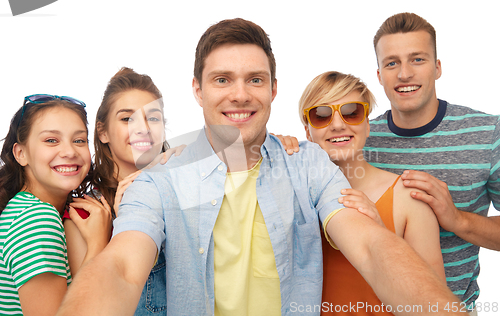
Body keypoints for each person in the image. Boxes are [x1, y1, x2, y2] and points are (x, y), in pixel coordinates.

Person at [57, 18, 465, 316]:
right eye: (222, 80)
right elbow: (124, 267)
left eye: (255, 80)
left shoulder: (307, 164)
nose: (240, 94)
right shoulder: (160, 180)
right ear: (197, 90)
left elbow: (373, 247)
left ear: (273, 89)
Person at [364, 12, 500, 313]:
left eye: (417, 59)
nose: (404, 74)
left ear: (437, 68)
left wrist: (457, 219)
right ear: (379, 76)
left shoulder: (488, 132)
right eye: (391, 63)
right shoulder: (360, 139)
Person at [298, 71, 445, 315]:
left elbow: (431, 304)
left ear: (367, 125)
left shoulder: (409, 199)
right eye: (321, 115)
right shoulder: (294, 195)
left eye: (351, 112)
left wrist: (382, 236)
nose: (337, 124)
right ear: (307, 132)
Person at [64, 67, 183, 316]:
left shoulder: (181, 187)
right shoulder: (85, 213)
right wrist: (124, 224)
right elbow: (89, 304)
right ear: (103, 132)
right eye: (127, 118)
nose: (142, 129)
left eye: (153, 118)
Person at [0, 95, 111, 316]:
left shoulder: (28, 209)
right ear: (21, 153)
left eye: (79, 140)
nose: (69, 152)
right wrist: (98, 242)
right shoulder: (36, 219)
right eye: (51, 140)